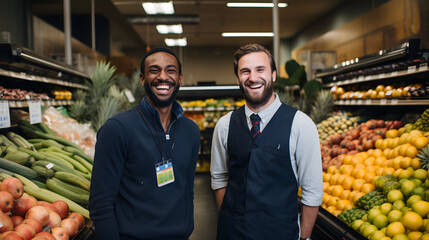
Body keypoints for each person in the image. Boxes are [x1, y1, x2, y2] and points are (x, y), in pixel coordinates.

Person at [210, 43, 323, 240]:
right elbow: (219, 179)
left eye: (260, 69)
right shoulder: (224, 125)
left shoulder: (301, 125)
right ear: (238, 78)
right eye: (245, 71)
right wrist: (231, 219)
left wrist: (303, 236)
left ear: (273, 74)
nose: (253, 78)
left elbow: (312, 191)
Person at [89, 47, 201, 240]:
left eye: (170, 70)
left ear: (180, 79)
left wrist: (187, 227)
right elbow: (101, 204)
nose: (163, 77)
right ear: (142, 79)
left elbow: (187, 190)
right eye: (154, 70)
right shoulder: (117, 129)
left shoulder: (191, 130)